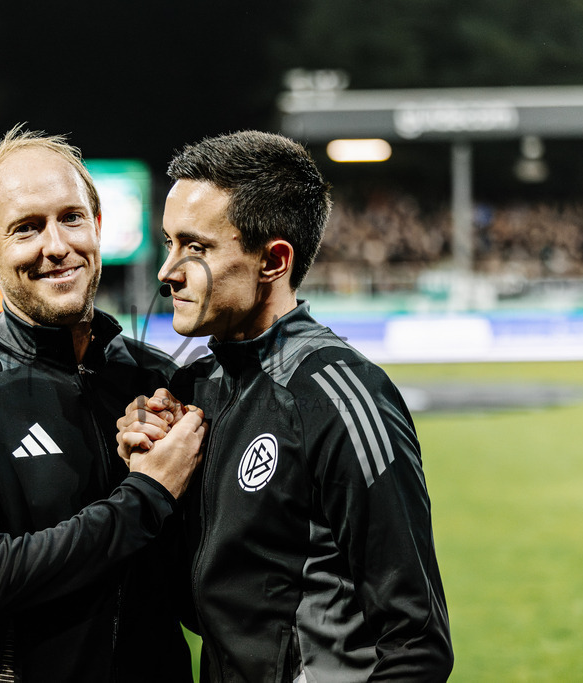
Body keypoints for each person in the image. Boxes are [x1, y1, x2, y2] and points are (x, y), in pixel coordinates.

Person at [117, 131, 454, 681]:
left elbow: (415, 644)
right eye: (169, 242)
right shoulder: (193, 391)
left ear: (273, 261)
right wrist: (151, 487)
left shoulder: (343, 395)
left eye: (196, 248)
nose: (166, 271)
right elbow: (208, 607)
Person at [0, 125, 205, 682]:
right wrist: (148, 495)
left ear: (99, 226)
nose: (56, 246)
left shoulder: (159, 380)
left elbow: (194, 594)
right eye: (26, 229)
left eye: (71, 218)